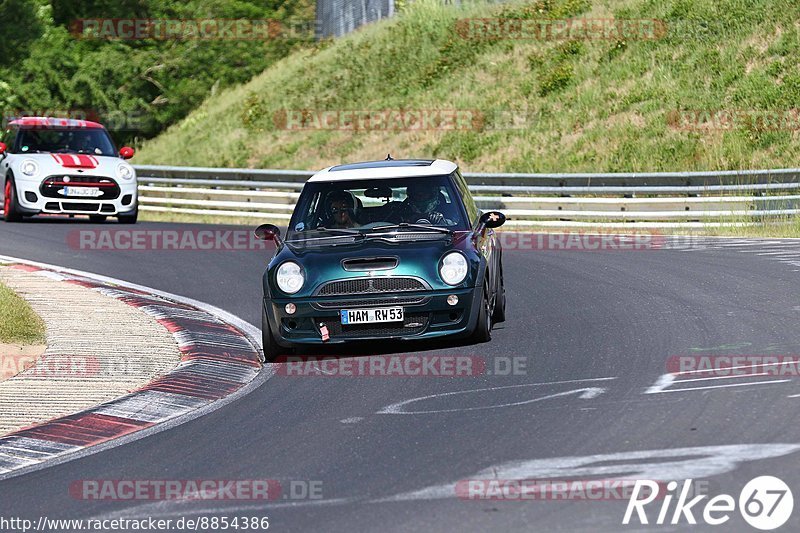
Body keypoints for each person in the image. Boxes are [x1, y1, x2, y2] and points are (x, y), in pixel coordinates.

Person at [388, 182, 454, 225]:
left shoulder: (449, 211)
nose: (420, 196)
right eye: (417, 193)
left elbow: (456, 229)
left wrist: (442, 222)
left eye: (424, 193)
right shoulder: (399, 212)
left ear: (432, 194)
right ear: (411, 195)